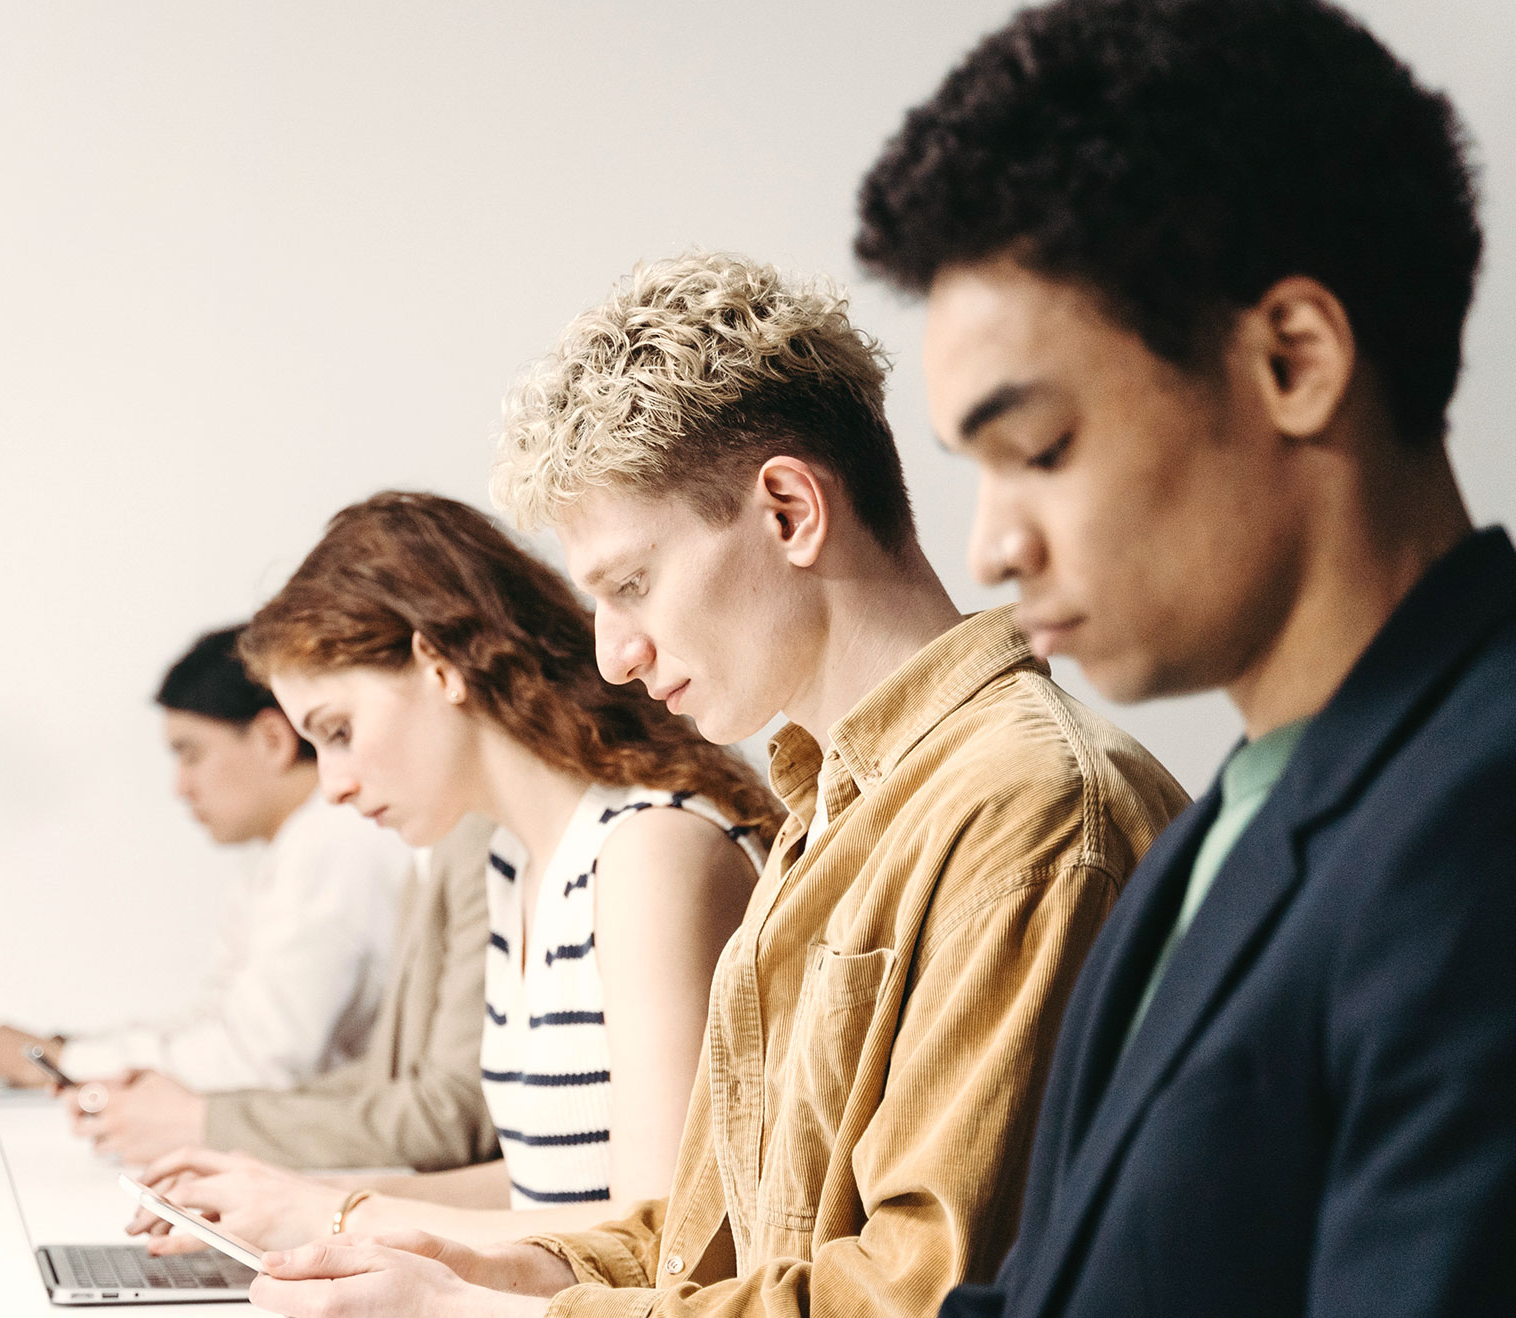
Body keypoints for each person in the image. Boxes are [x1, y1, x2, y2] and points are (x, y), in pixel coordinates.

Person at [237, 252, 1188, 1318]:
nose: (613, 656)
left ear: (787, 510)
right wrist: (521, 1270)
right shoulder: (832, 811)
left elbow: (917, 1296)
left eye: (632, 584)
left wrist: (476, 1315)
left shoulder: (1029, 810)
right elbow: (726, 1230)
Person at [851, 1, 1516, 1312]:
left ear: (1291, 360)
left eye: (1038, 450)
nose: (990, 546)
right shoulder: (1223, 829)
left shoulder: (1478, 825)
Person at [130, 491, 783, 1250]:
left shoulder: (650, 851)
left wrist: (341, 1217)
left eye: (338, 731)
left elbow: (667, 1236)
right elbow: (548, 1186)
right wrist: (294, 1196)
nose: (331, 786)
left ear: (438, 665)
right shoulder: (515, 863)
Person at [0, 625, 411, 1093]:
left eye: (191, 755)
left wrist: (63, 1061)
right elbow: (220, 1020)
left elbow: (257, 1060)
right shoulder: (286, 848)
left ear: (273, 739)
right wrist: (68, 1050)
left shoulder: (331, 842)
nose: (180, 787)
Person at [71, 811, 505, 1173]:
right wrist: (198, 1112)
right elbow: (385, 1077)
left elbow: (450, 1118)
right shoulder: (432, 849)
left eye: (341, 739)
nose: (331, 789)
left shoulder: (342, 842)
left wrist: (202, 1121)